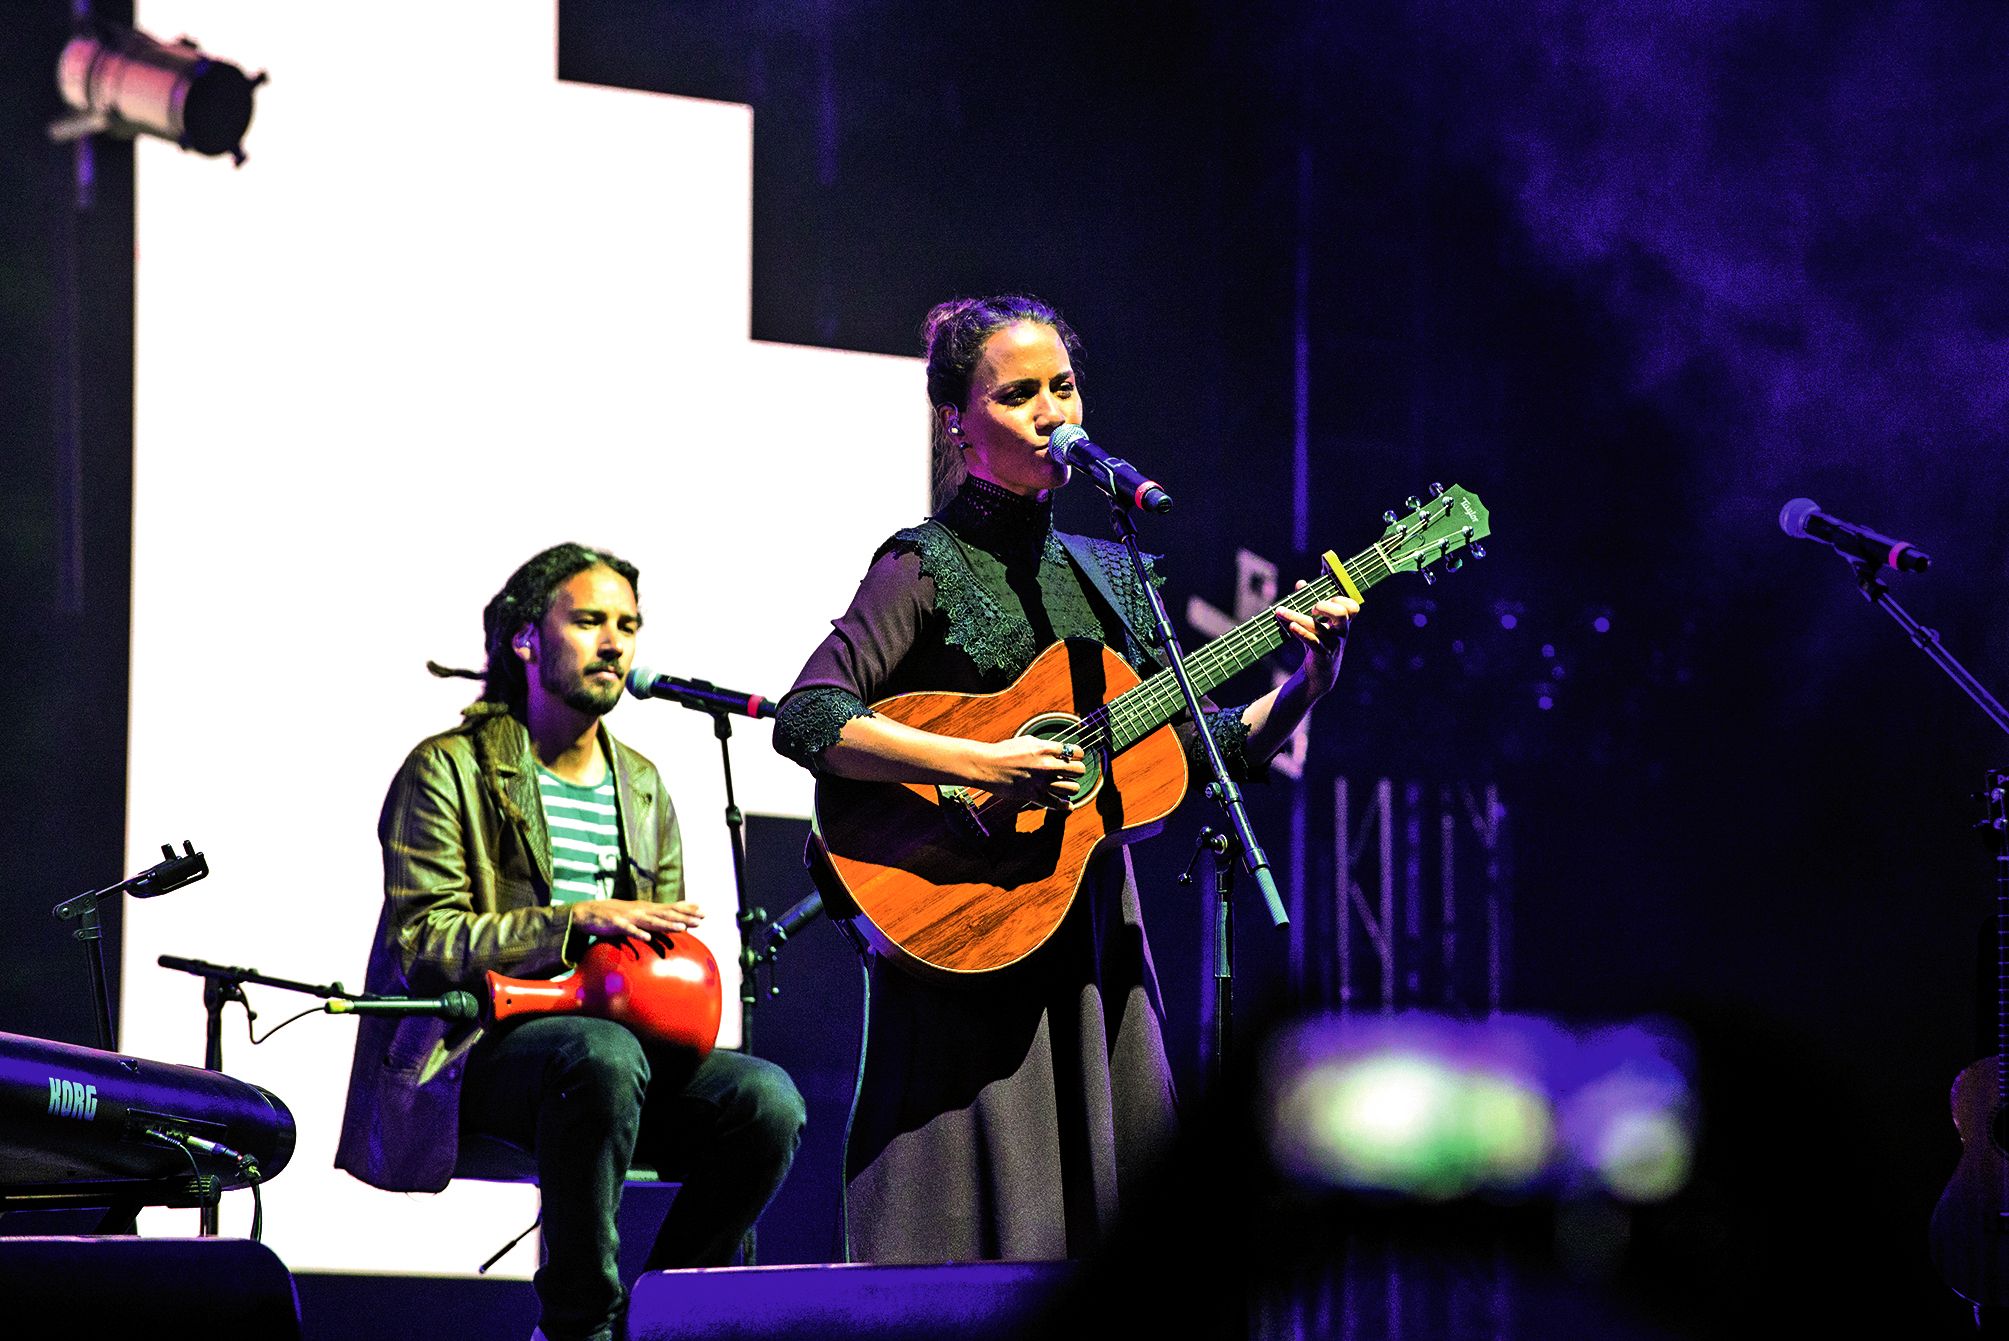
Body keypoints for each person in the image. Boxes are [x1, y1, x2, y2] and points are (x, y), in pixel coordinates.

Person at [771, 294, 1356, 1263]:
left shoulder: (1106, 571)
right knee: (963, 1228)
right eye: (1017, 395)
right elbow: (811, 716)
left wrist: (1306, 681)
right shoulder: (922, 565)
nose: (1052, 412)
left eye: (1063, 386)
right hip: (963, 922)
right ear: (955, 422)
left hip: (1086, 932)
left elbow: (1209, 744)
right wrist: (979, 761)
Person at [337, 542, 805, 1341]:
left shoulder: (644, 783)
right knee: (597, 1055)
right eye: (589, 619)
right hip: (474, 1053)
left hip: (608, 1057)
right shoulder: (447, 769)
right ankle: (579, 1323)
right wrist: (572, 920)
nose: (615, 642)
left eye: (628, 624)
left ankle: (660, 1314)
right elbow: (424, 940)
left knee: (765, 1101)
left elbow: (656, 950)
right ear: (526, 638)